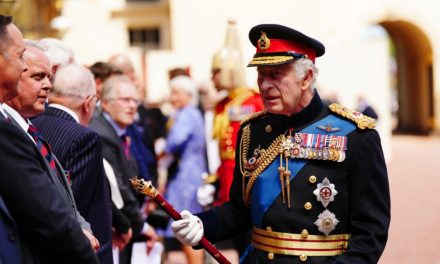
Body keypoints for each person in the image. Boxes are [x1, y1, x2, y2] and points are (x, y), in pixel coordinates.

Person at [171, 24, 391, 263]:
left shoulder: (355, 135)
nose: (264, 85)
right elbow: (240, 210)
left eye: (275, 75)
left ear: (306, 77)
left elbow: (371, 232)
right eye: (261, 75)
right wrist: (202, 224)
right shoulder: (252, 131)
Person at [0, 15, 99, 263]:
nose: (47, 86)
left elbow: (65, 203)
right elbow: (46, 214)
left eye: (50, 77)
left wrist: (80, 227)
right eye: (20, 55)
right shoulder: (8, 131)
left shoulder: (26, 128)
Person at [31, 63, 113, 263]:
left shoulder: (30, 123)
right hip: (84, 250)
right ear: (88, 102)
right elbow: (76, 203)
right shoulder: (84, 137)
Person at [89, 75, 157, 264]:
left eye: (135, 100)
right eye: (125, 100)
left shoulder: (121, 131)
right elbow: (119, 186)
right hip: (113, 227)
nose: (132, 106)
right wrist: (141, 226)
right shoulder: (102, 134)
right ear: (106, 103)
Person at [210, 20, 264, 206]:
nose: (212, 78)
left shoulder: (253, 100)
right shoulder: (222, 104)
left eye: (215, 72)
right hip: (225, 170)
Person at [159, 75, 207, 264]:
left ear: (188, 94)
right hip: (189, 173)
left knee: (187, 224)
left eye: (176, 93)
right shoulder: (190, 112)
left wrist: (160, 150)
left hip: (186, 177)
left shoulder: (187, 113)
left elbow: (175, 141)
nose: (172, 97)